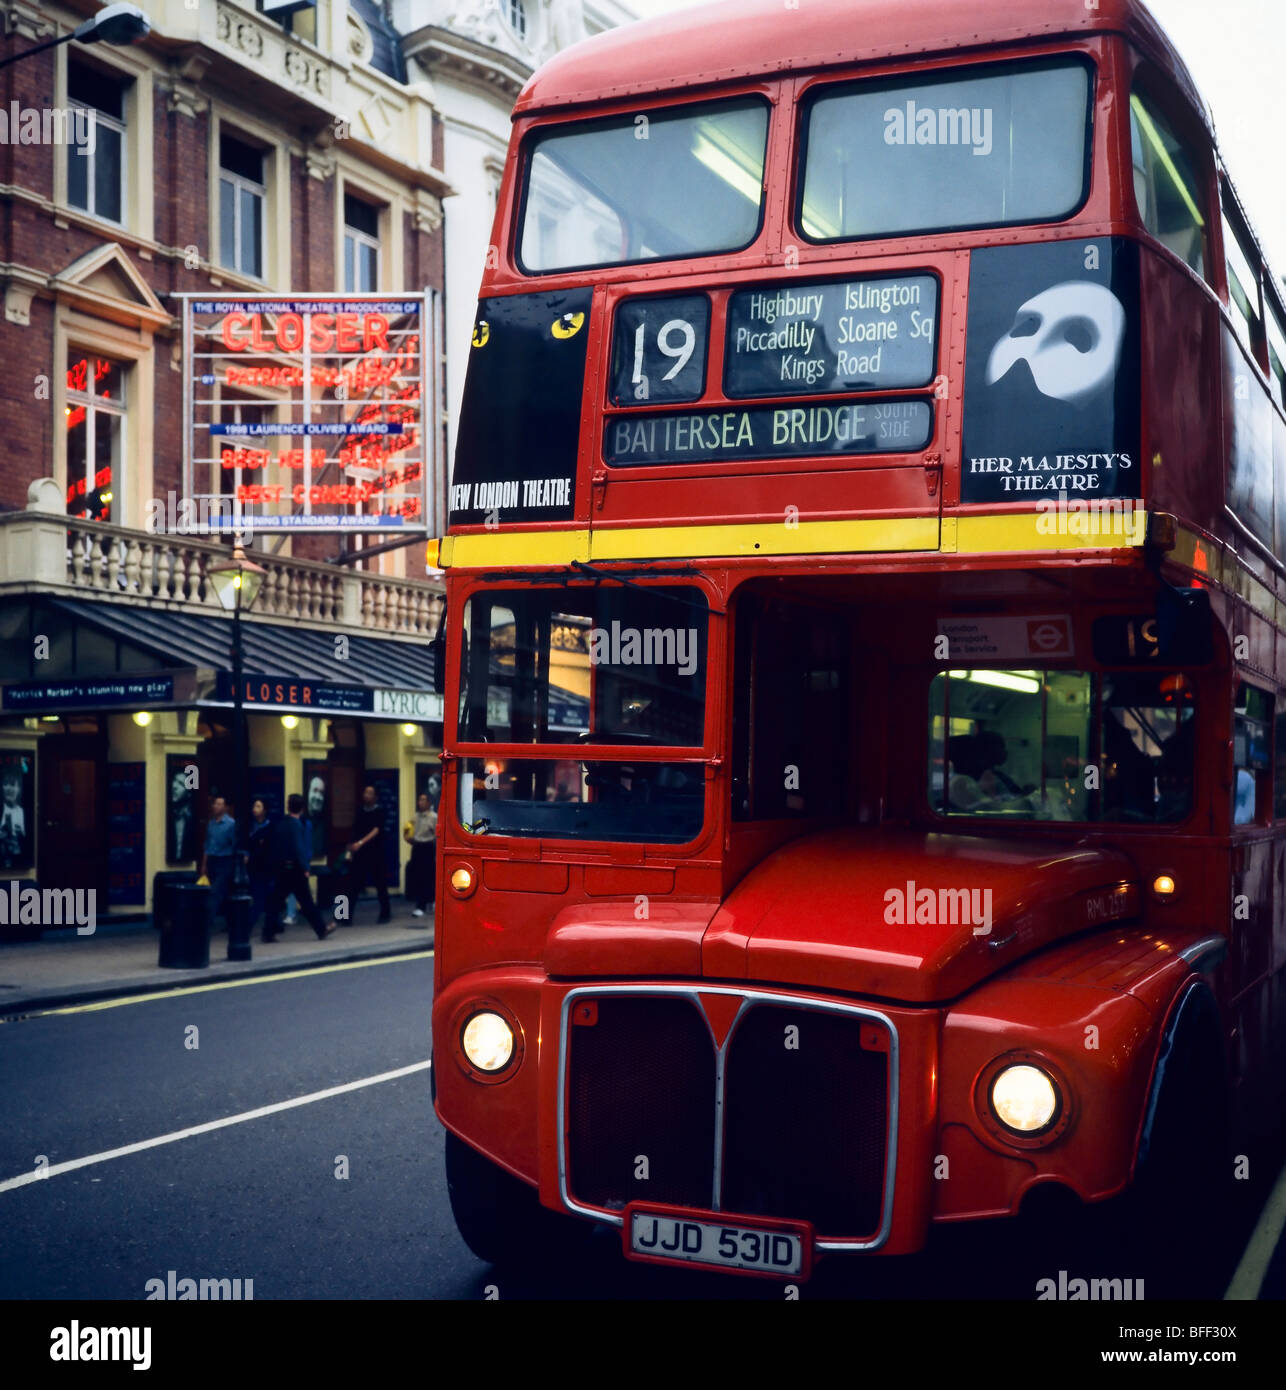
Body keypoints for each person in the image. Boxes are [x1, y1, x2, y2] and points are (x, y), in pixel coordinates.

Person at [265, 794, 333, 941]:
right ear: (302, 808)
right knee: (307, 901)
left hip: (282, 868)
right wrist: (306, 868)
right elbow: (299, 848)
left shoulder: (281, 823)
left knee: (276, 901)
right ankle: (321, 930)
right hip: (295, 869)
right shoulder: (296, 825)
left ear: (288, 806)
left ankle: (267, 932)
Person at [349, 784, 391, 922]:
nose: (366, 795)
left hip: (376, 853)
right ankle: (344, 916)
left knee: (380, 885)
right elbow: (355, 830)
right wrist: (352, 847)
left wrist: (360, 842)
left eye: (369, 793)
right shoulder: (360, 811)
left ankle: (385, 913)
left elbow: (376, 830)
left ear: (375, 797)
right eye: (365, 792)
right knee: (352, 884)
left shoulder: (379, 811)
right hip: (360, 854)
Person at [200, 796, 237, 930]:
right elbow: (207, 845)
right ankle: (231, 922)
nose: (216, 806)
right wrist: (204, 864)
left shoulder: (231, 824)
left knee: (215, 892)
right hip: (212, 860)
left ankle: (206, 923)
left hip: (225, 860)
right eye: (215, 804)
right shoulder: (211, 824)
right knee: (224, 894)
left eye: (220, 804)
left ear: (225, 807)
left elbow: (235, 844)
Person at [403, 792, 437, 919]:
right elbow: (408, 830)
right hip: (417, 847)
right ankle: (420, 903)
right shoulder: (415, 816)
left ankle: (427, 902)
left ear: (428, 803)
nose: (421, 802)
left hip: (428, 847)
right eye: (420, 800)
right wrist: (408, 838)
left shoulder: (433, 817)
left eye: (423, 800)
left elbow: (436, 834)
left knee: (428, 876)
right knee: (418, 876)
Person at [246, 798, 274, 938]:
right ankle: (275, 925)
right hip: (253, 867)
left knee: (261, 898)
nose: (254, 809)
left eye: (258, 806)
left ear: (264, 810)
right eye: (254, 806)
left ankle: (248, 926)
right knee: (266, 897)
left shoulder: (269, 827)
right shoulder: (249, 826)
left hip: (265, 867)